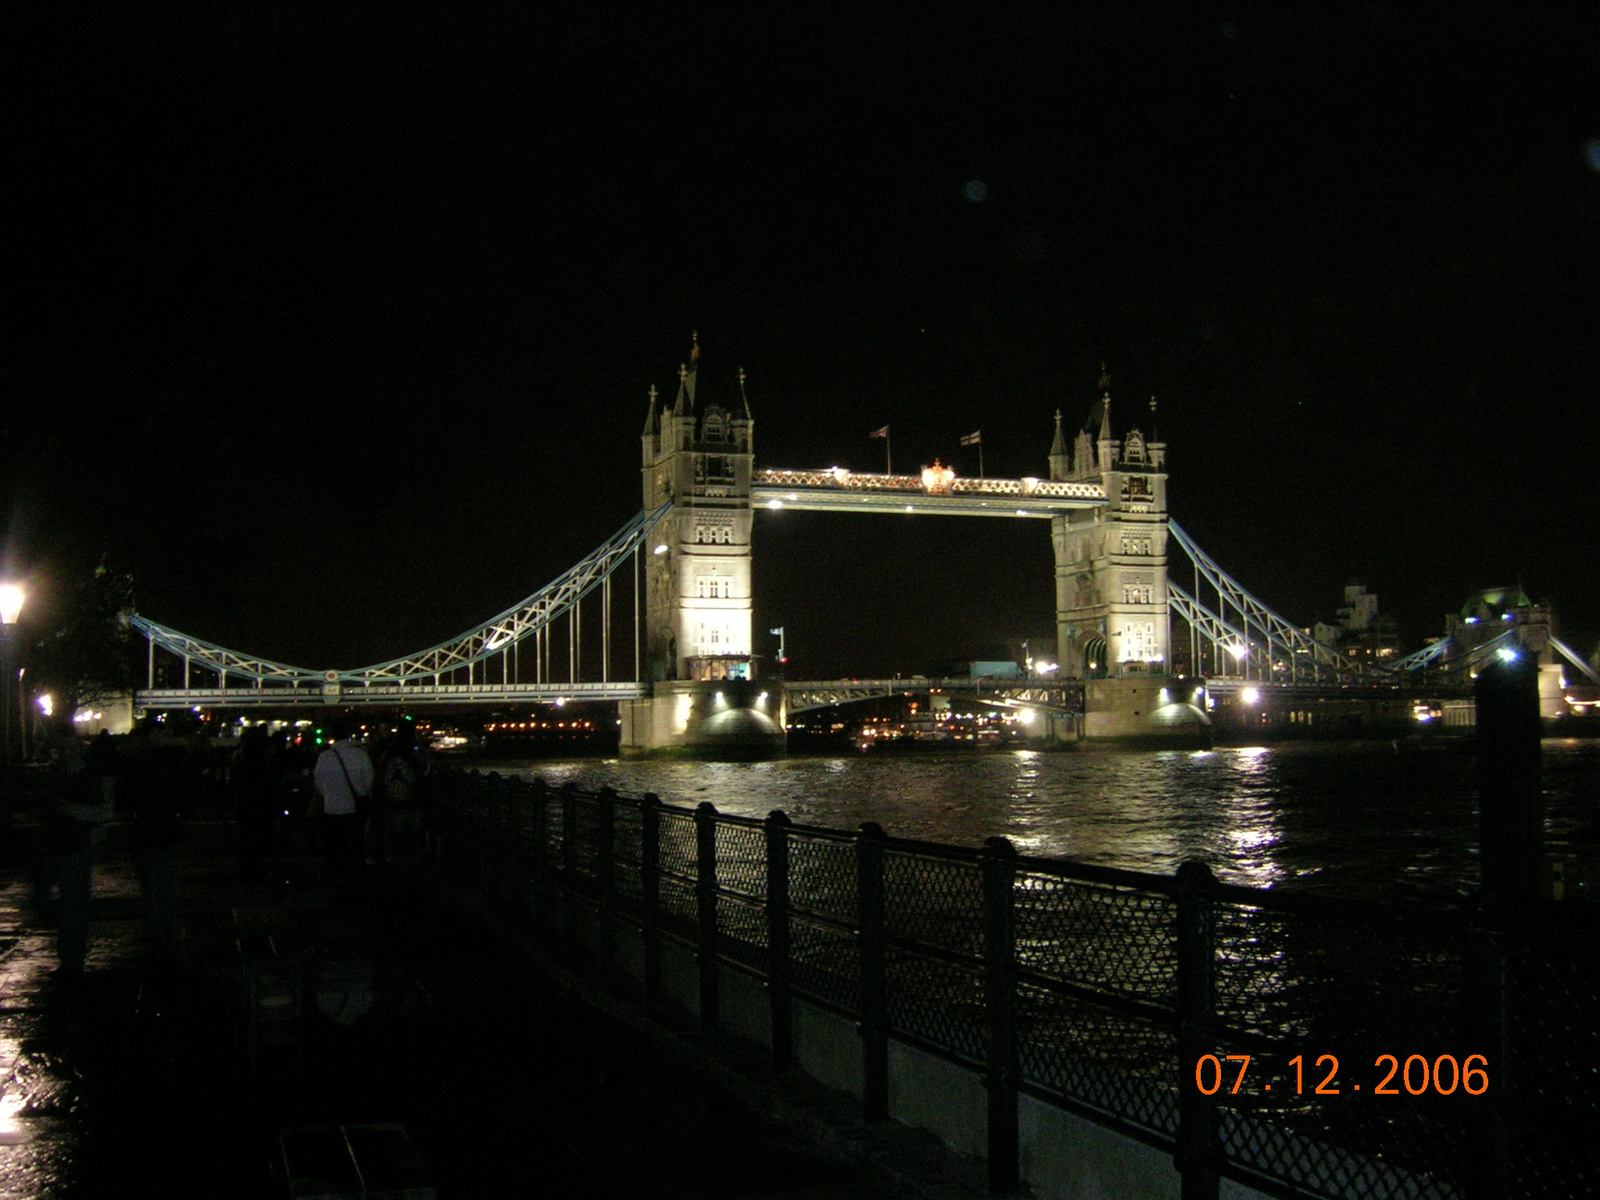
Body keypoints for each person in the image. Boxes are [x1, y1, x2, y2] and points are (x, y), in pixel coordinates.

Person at [314, 720, 373, 887]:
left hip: (331, 807)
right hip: (355, 807)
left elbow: (318, 783)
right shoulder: (360, 755)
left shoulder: (325, 757)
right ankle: (357, 875)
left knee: (334, 844)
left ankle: (335, 874)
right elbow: (369, 782)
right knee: (356, 842)